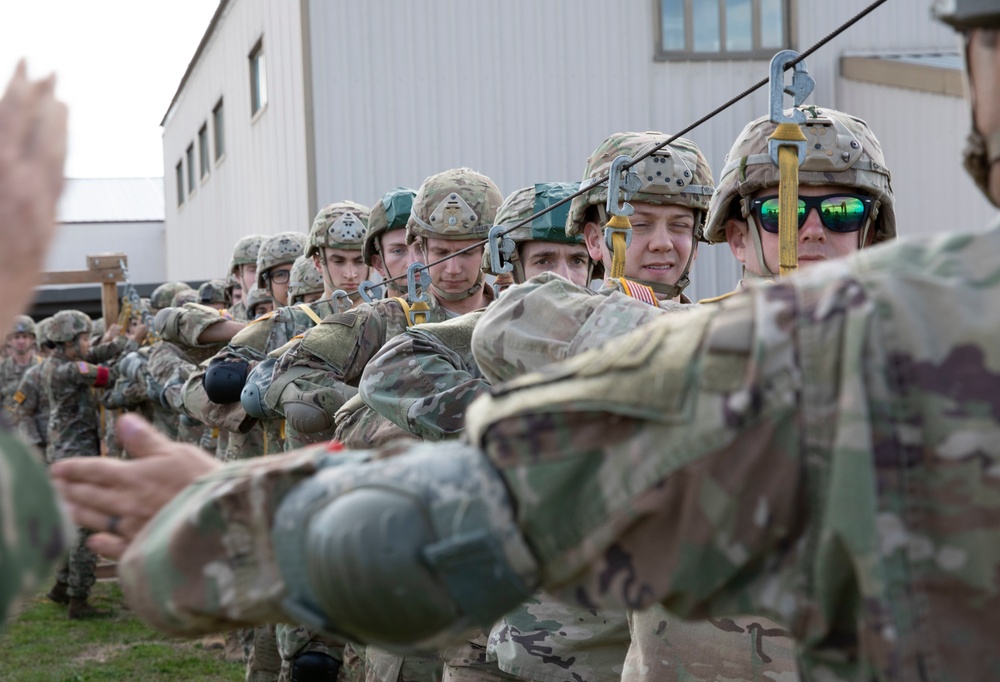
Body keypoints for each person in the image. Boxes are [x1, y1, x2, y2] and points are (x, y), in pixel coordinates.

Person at [50, 3, 1000, 679]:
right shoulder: (674, 355)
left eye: (845, 210)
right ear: (739, 232)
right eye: (779, 209)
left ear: (876, 231)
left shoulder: (935, 349)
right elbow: (485, 484)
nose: (814, 227)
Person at [0, 61, 73, 633]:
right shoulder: (13, 371)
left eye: (27, 333)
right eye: (17, 334)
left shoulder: (43, 366)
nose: (22, 341)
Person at [0, 315, 41, 414]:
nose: (21, 341)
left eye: (25, 337)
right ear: (9, 340)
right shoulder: (2, 370)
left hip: (37, 425)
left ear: (32, 339)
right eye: (16, 337)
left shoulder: (42, 367)